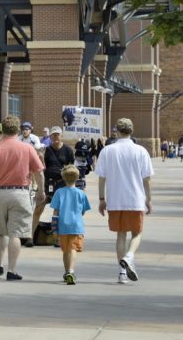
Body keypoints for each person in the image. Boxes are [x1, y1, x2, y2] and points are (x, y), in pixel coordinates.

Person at [0, 115, 45, 281]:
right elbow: (38, 172)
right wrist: (41, 191)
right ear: (18, 130)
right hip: (20, 193)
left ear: (2, 130)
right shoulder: (27, 149)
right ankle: (11, 269)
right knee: (15, 234)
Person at [95, 117, 153, 284]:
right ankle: (129, 256)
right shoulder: (141, 151)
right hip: (135, 198)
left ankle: (122, 273)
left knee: (121, 235)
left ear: (117, 131)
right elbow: (147, 179)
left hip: (115, 199)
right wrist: (149, 199)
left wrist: (101, 199)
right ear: (131, 131)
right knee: (137, 232)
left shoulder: (107, 151)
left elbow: (101, 178)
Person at [50, 164, 91, 285]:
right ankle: (71, 271)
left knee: (65, 250)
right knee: (73, 249)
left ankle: (66, 271)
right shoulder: (81, 193)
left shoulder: (59, 192)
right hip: (76, 225)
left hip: (62, 226)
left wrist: (54, 229)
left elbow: (55, 212)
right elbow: (83, 210)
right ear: (77, 177)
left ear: (63, 178)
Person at [32, 126, 74, 232]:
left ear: (61, 136)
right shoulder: (46, 149)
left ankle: (58, 237)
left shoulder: (68, 150)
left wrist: (71, 185)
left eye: (57, 134)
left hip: (61, 184)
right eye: (53, 135)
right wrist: (41, 157)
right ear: (50, 136)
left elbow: (72, 169)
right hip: (47, 183)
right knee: (38, 209)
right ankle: (31, 236)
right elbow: (41, 168)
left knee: (59, 211)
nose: (55, 137)